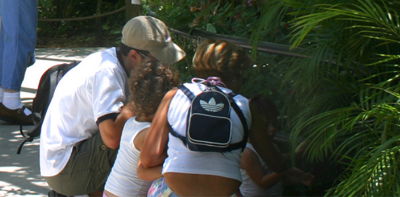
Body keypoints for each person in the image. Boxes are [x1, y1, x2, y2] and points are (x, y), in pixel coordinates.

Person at [40, 16, 186, 197]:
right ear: (134, 55)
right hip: (66, 169)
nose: (164, 66)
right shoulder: (108, 72)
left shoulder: (116, 60)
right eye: (158, 60)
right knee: (138, 135)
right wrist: (139, 102)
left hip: (72, 158)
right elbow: (111, 138)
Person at [139, 41, 308, 197]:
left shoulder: (176, 95)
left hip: (177, 189)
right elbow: (277, 164)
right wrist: (300, 153)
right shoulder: (244, 105)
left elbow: (148, 159)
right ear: (236, 75)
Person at [102, 59, 180, 197]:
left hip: (110, 192)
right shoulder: (149, 134)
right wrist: (177, 169)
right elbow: (149, 170)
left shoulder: (131, 123)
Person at [239, 96, 312, 196]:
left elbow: (279, 179)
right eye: (265, 125)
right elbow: (262, 182)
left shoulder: (272, 147)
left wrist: (300, 179)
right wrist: (287, 170)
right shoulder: (247, 152)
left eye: (274, 124)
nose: (272, 129)